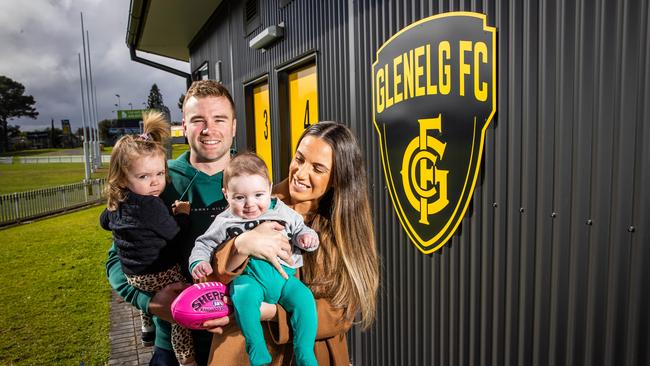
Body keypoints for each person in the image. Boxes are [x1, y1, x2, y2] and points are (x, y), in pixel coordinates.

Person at [105, 80, 295, 366]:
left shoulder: (255, 179)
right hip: (176, 345)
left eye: (219, 119)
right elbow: (117, 260)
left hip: (243, 341)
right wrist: (151, 302)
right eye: (198, 120)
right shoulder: (155, 179)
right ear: (184, 125)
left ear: (233, 126)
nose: (209, 129)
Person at [207, 122, 380, 366]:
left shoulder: (344, 229)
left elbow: (342, 312)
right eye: (299, 159)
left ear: (336, 179)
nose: (300, 173)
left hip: (315, 356)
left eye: (317, 168)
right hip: (243, 355)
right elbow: (210, 272)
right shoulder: (255, 203)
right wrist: (241, 244)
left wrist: (272, 313)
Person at [190, 152, 320, 366]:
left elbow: (300, 230)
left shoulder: (282, 211)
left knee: (305, 299)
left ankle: (304, 352)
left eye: (258, 195)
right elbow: (204, 244)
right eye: (240, 197)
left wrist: (307, 238)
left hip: (284, 279)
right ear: (226, 194)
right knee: (242, 297)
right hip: (249, 278)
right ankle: (256, 347)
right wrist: (198, 262)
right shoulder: (225, 220)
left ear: (270, 189)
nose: (250, 204)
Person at [99, 111, 196, 366]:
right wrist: (182, 214)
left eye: (159, 174)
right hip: (157, 274)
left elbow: (104, 222)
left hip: (134, 275)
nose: (154, 183)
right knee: (180, 303)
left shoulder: (117, 201)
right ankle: (186, 357)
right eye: (144, 177)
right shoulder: (152, 205)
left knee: (148, 288)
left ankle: (147, 329)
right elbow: (174, 233)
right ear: (123, 177)